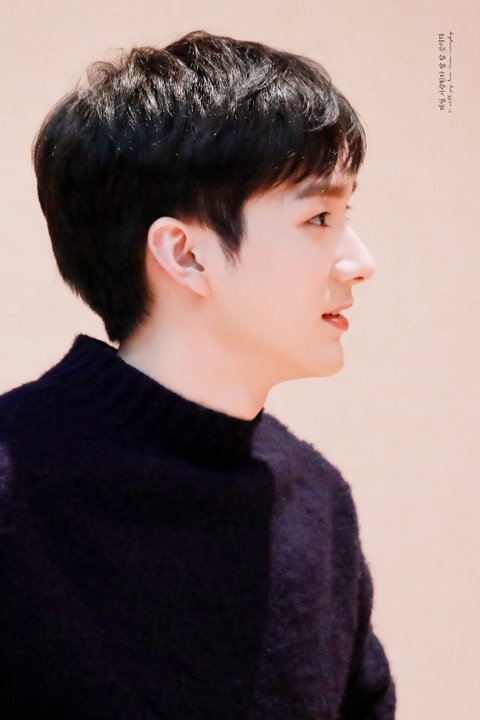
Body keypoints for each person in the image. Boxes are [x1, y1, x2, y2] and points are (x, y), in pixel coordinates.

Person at [0, 29, 397, 719]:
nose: (360, 262)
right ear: (184, 255)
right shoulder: (13, 486)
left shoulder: (318, 501)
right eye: (319, 216)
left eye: (346, 214)